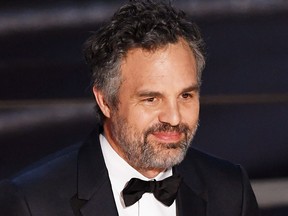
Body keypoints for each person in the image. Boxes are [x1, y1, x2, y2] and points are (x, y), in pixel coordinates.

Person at [0, 0, 259, 215]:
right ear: (105, 101)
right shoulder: (31, 202)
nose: (173, 117)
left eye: (186, 95)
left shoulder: (231, 191)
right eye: (151, 99)